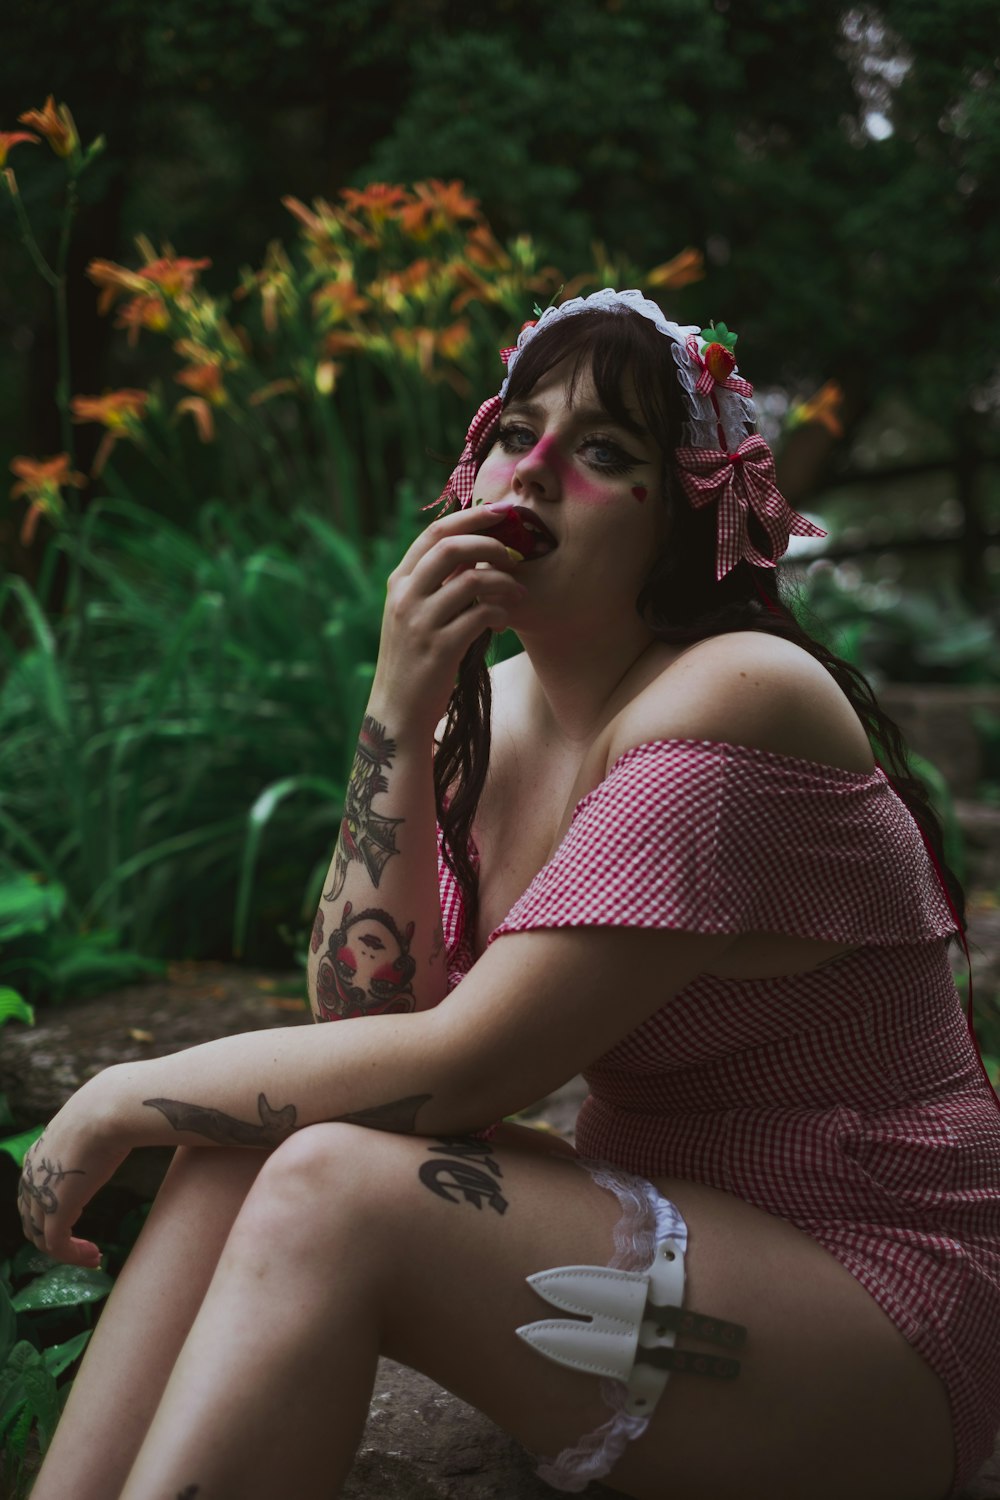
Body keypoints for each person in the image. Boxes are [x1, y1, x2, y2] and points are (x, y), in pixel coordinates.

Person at [17, 289, 1000, 1500]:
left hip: (869, 1306)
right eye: (510, 432)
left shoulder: (739, 695)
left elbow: (465, 1071)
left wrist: (121, 1095)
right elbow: (365, 1041)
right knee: (240, 1146)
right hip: (666, 1241)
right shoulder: (491, 710)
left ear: (682, 518)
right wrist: (398, 705)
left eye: (601, 452)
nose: (529, 471)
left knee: (328, 1189)